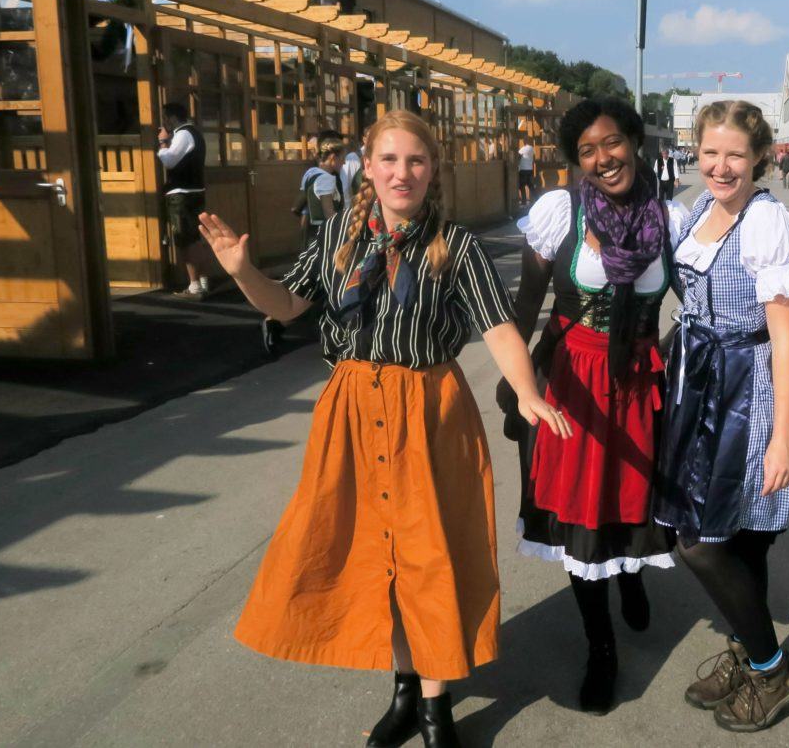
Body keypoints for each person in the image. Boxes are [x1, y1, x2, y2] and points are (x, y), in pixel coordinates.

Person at [206, 110, 570, 748]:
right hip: (351, 412)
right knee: (376, 557)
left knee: (429, 558)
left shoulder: (456, 246)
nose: (403, 172)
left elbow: (497, 325)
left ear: (434, 170)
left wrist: (529, 392)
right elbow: (287, 305)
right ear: (368, 168)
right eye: (391, 160)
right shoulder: (335, 240)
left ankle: (435, 708)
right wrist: (241, 271)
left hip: (429, 414)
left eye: (417, 161)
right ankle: (405, 689)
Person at [505, 97, 686, 714]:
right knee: (582, 515)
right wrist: (516, 379)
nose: (602, 158)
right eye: (587, 150)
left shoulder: (671, 218)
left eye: (611, 143)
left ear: (634, 142)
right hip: (574, 384)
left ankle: (631, 572)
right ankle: (601, 646)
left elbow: (702, 304)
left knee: (631, 502)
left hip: (638, 380)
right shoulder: (562, 212)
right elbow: (528, 299)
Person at [654, 99, 789, 733]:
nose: (720, 167)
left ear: (760, 159)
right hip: (700, 387)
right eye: (710, 153)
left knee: (700, 542)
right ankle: (748, 650)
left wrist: (780, 442)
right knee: (738, 540)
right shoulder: (700, 209)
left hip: (749, 398)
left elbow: (783, 343)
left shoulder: (766, 224)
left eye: (735, 156)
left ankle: (774, 669)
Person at [260, 136, 347, 356]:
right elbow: (329, 212)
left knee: (313, 286)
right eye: (342, 159)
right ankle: (276, 321)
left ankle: (278, 322)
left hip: (310, 231)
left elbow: (303, 207)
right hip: (325, 235)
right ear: (333, 157)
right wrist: (346, 229)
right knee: (323, 287)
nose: (343, 164)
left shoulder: (310, 174)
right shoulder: (327, 179)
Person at [157, 102, 211, 300]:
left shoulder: (183, 134)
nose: (163, 123)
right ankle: (203, 282)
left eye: (165, 118)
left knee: (186, 240)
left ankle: (195, 286)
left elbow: (170, 160)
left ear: (171, 118)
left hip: (182, 193)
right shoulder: (194, 133)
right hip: (195, 191)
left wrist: (163, 143)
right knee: (196, 238)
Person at [517, 139, 536, 206]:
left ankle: (524, 202)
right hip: (530, 170)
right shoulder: (532, 149)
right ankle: (535, 201)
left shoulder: (523, 149)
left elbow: (518, 156)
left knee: (521, 186)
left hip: (523, 170)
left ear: (524, 142)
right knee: (531, 186)